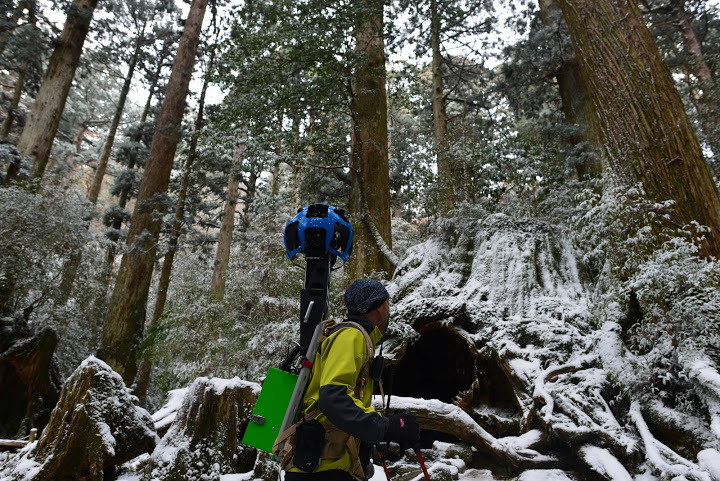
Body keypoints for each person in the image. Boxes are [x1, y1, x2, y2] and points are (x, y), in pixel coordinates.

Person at [283, 278, 420, 481]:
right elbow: (333, 397)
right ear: (380, 307)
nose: (389, 312)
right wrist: (385, 428)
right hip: (322, 470)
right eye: (388, 305)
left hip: (330, 465)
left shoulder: (357, 338)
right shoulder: (351, 336)